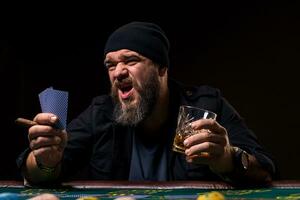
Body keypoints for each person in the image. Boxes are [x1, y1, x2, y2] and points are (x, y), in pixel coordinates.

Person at [17, 21, 277, 186]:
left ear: (162, 69)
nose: (117, 72)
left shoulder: (207, 104)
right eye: (110, 64)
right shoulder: (101, 113)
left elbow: (264, 170)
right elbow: (40, 174)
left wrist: (228, 159)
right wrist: (45, 162)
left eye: (130, 61)